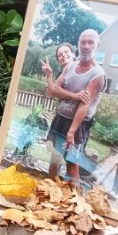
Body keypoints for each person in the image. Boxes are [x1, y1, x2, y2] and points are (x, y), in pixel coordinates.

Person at [43, 29, 106, 186]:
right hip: (60, 119)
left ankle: (73, 198)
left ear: (98, 46)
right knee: (55, 156)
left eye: (90, 42)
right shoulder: (70, 66)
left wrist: (71, 132)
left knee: (72, 162)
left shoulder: (98, 75)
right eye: (83, 42)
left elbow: (84, 105)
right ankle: (49, 191)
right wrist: (74, 96)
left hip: (78, 125)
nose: (86, 46)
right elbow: (54, 90)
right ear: (78, 45)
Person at [40, 43, 75, 178]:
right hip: (60, 118)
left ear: (73, 54)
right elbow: (51, 93)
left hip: (73, 121)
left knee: (71, 159)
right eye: (60, 55)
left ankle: (69, 188)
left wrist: (67, 94)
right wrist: (49, 75)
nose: (63, 55)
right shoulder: (63, 73)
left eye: (66, 52)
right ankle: (51, 183)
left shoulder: (77, 70)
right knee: (55, 153)